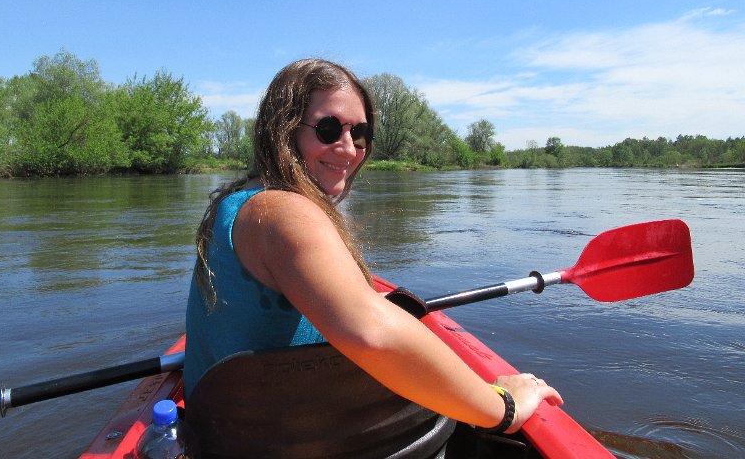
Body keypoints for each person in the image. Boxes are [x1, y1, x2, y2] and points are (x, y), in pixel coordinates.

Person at [184, 57, 562, 434]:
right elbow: (373, 337)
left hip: (246, 429)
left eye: (360, 133)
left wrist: (367, 302)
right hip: (275, 437)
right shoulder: (280, 211)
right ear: (284, 130)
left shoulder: (243, 200)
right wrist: (505, 407)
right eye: (329, 129)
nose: (349, 149)